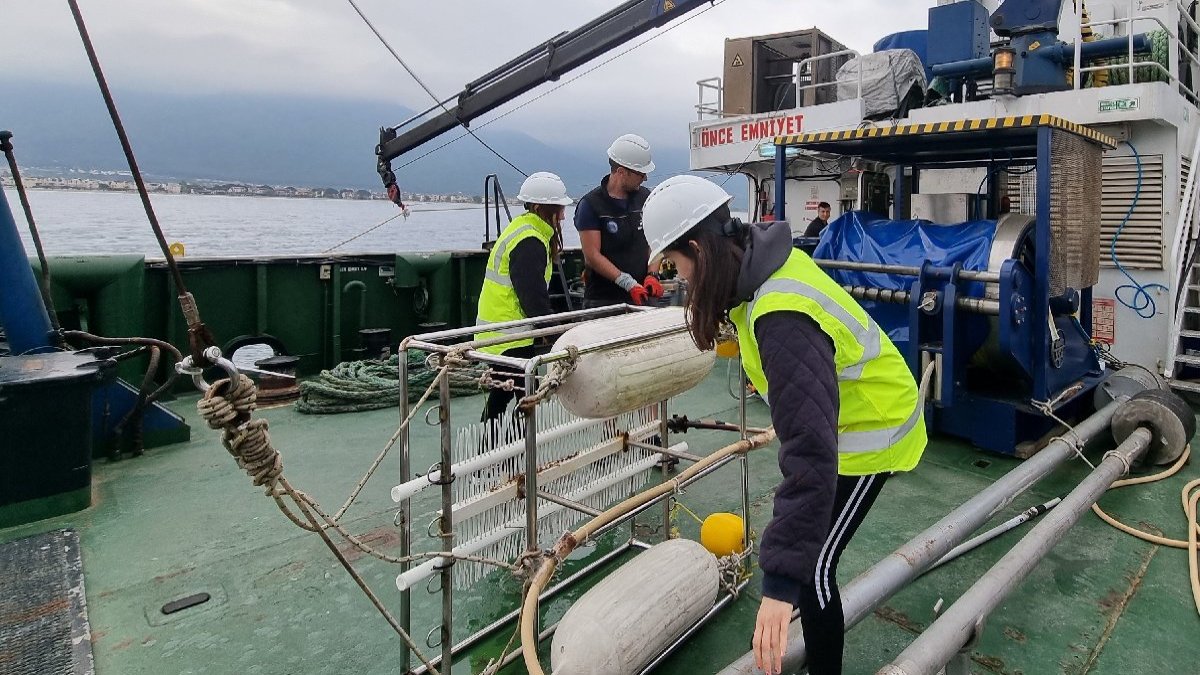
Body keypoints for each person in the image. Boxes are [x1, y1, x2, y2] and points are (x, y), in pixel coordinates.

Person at [640, 175, 927, 675]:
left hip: (871, 432)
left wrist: (777, 587)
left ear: (697, 249)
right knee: (806, 563)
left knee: (813, 567)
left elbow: (812, 455)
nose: (679, 279)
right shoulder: (760, 267)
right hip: (841, 423)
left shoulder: (780, 315)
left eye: (676, 266)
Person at [474, 171, 572, 425]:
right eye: (558, 208)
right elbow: (533, 299)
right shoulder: (530, 241)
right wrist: (559, 337)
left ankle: (499, 450)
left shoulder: (524, 229)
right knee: (515, 394)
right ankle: (500, 451)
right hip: (509, 334)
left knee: (508, 394)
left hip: (500, 331)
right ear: (541, 208)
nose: (562, 215)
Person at [574, 133, 664, 308]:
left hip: (643, 296)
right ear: (622, 172)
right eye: (640, 174)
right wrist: (626, 282)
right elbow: (592, 255)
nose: (645, 178)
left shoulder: (646, 198)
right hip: (604, 301)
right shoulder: (591, 205)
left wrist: (652, 274)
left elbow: (655, 240)